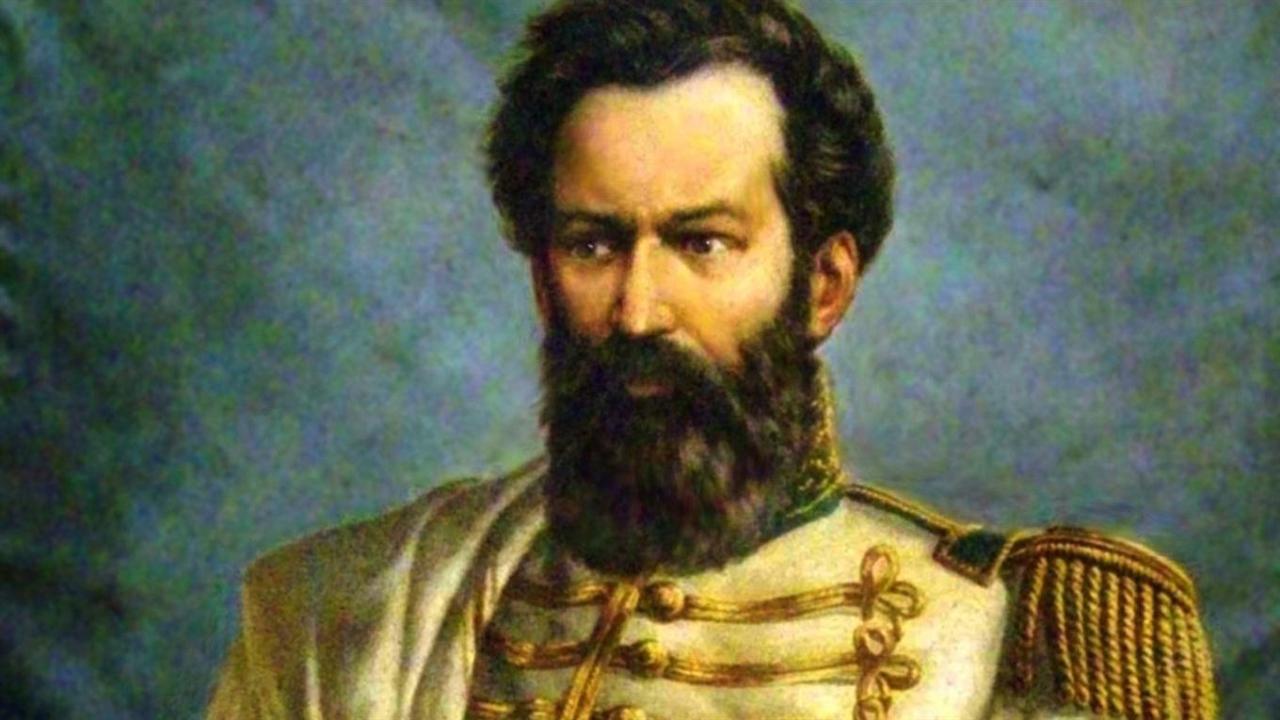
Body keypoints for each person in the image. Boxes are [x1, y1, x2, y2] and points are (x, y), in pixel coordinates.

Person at [207, 1, 1216, 718]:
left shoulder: (1015, 633)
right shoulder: (341, 618)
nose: (639, 311)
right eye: (593, 244)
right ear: (542, 277)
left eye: (702, 244)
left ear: (823, 285)